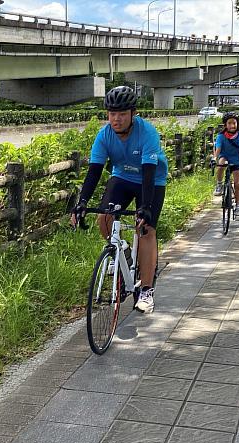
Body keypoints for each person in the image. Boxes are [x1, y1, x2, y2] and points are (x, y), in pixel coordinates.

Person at [70, 86, 168, 313]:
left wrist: (144, 208)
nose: (117, 119)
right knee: (104, 218)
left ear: (133, 114)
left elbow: (148, 170)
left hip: (151, 179)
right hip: (122, 176)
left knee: (145, 229)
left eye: (122, 114)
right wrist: (82, 203)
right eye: (112, 114)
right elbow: (94, 171)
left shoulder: (147, 133)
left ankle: (146, 290)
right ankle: (120, 249)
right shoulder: (104, 135)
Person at [212, 112, 239, 220]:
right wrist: (214, 159)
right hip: (225, 156)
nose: (232, 126)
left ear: (238, 124)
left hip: (237, 159)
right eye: (229, 123)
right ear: (225, 125)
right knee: (221, 164)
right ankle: (219, 184)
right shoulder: (221, 136)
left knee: (237, 184)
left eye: (234, 123)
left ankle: (238, 207)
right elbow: (218, 148)